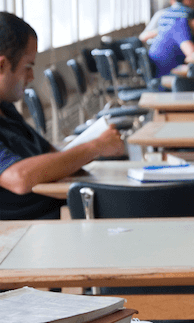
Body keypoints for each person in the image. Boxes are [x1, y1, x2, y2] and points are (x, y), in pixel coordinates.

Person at [0, 12, 124, 220]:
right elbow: (18, 178)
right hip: (25, 232)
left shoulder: (7, 109)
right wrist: (95, 146)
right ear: (2, 65)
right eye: (28, 66)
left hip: (54, 212)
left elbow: (50, 152)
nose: (31, 77)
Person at [148, 4, 194, 78]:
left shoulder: (192, 33)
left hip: (169, 72)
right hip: (164, 75)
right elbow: (191, 52)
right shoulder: (181, 25)